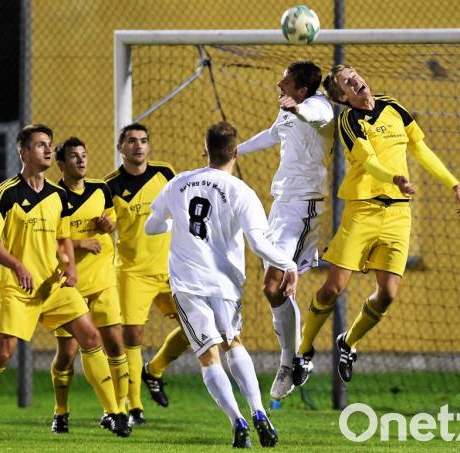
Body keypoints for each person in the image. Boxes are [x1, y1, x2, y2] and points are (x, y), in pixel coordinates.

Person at [298, 64, 460, 382]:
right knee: (333, 289)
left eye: (354, 73)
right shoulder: (348, 121)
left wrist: (454, 183)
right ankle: (304, 349)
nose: (354, 79)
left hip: (398, 214)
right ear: (342, 96)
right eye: (345, 81)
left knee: (388, 294)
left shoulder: (394, 107)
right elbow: (369, 162)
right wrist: (394, 178)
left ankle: (348, 343)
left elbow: (420, 147)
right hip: (363, 210)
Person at [0, 124, 130, 438]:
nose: (48, 150)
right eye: (40, 145)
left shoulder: (57, 194)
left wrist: (71, 268)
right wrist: (16, 265)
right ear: (23, 153)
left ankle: (115, 413)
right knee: (2, 355)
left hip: (53, 286)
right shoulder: (6, 192)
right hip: (17, 289)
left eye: (49, 144)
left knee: (90, 337)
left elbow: (63, 239)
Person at [145, 121, 297, 448]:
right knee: (233, 343)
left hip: (187, 284)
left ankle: (237, 421)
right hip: (225, 283)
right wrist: (288, 264)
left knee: (208, 357)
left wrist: (176, 224)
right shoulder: (241, 191)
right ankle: (259, 412)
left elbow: (151, 226)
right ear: (235, 152)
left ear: (205, 149)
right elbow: (258, 243)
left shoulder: (178, 183)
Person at [236, 60, 334, 400]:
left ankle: (291, 360)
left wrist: (300, 107)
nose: (280, 84)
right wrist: (237, 150)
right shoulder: (288, 108)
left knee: (273, 283)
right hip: (281, 204)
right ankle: (295, 358)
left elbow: (317, 116)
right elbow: (273, 133)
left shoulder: (318, 106)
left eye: (286, 80)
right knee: (273, 289)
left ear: (301, 90)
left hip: (305, 205)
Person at [104, 123, 191, 424]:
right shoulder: (110, 186)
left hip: (171, 269)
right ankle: (135, 406)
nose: (138, 146)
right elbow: (107, 220)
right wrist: (106, 224)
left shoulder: (165, 173)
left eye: (143, 141)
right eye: (131, 141)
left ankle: (154, 371)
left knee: (197, 328)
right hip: (132, 273)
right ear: (121, 148)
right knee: (132, 336)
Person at [48, 137, 129, 434]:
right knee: (67, 353)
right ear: (61, 163)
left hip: (103, 280)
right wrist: (81, 242)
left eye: (84, 155)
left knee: (115, 343)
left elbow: (112, 220)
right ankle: (61, 410)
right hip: (70, 284)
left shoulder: (100, 189)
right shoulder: (53, 196)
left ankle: (119, 411)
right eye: (73, 156)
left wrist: (110, 225)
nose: (81, 160)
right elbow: (51, 240)